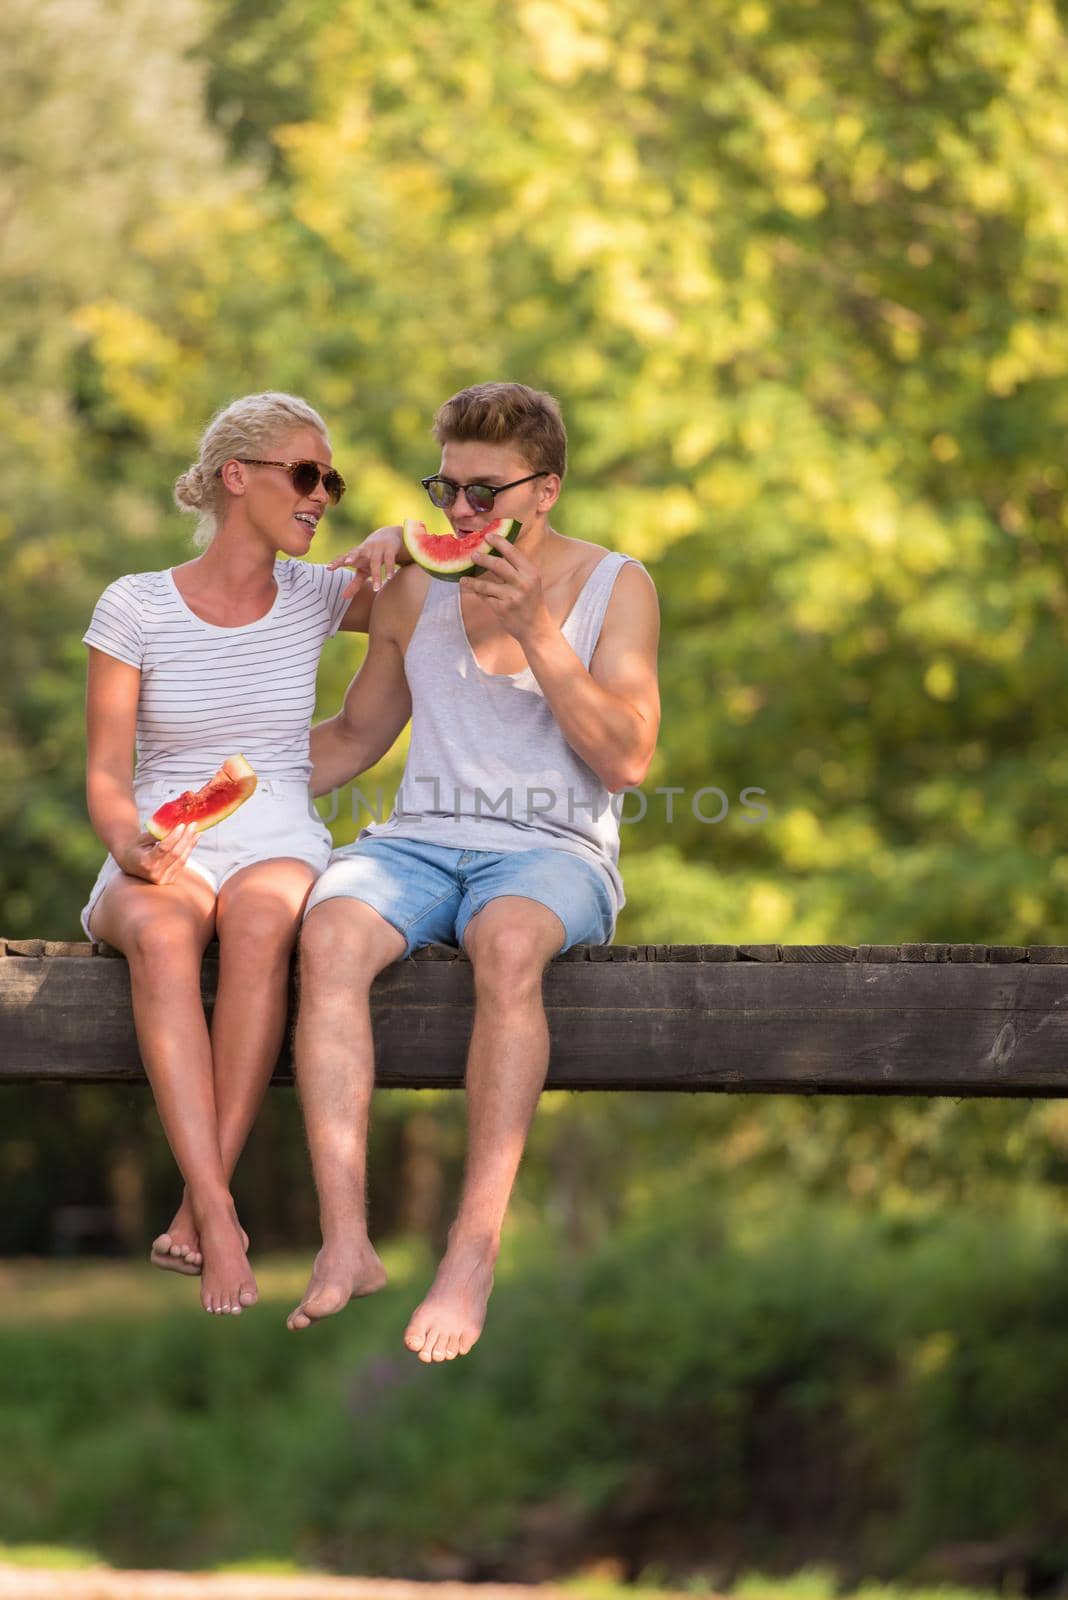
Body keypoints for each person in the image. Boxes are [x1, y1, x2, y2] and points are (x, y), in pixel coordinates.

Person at [288, 381, 661, 1360]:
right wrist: (217, 787)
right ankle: (346, 1239)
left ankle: (472, 1248)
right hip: (417, 841)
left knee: (505, 944)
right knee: (325, 929)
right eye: (444, 489)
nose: (458, 514)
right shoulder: (418, 580)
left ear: (546, 490)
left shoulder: (618, 585)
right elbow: (358, 734)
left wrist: (538, 628)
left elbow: (626, 758)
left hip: (554, 850)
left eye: (483, 494)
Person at [81, 391, 403, 1316]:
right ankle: (221, 1218)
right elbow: (106, 776)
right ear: (237, 477)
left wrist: (394, 537)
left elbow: (422, 592)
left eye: (331, 483)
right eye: (307, 475)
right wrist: (131, 848)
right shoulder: (134, 604)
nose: (321, 496)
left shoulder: (317, 595)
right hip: (160, 831)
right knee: (162, 935)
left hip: (277, 834)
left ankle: (198, 1202)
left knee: (263, 923)